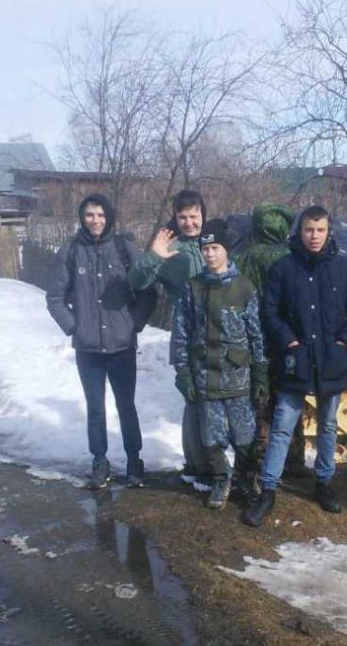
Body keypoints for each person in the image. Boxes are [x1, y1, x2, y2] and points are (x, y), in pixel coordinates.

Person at [242, 205, 347, 527]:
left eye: (321, 230)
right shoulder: (284, 268)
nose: (314, 236)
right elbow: (269, 312)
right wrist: (290, 341)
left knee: (327, 425)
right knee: (283, 425)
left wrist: (343, 343)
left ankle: (324, 483)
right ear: (299, 231)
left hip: (331, 359)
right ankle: (268, 490)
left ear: (329, 232)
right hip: (294, 359)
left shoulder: (345, 267)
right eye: (309, 230)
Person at [46, 193, 149, 490]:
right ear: (82, 217)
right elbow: (54, 297)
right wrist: (73, 328)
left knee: (126, 405)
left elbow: (148, 291)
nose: (95, 220)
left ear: (109, 217)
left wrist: (134, 324)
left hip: (122, 346)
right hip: (88, 349)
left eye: (101, 215)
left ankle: (134, 462)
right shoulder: (70, 250)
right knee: (96, 408)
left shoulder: (123, 248)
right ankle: (100, 462)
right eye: (90, 215)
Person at [170, 219, 268, 508]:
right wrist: (184, 372)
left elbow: (256, 334)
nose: (210, 254)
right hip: (205, 376)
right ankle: (221, 480)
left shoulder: (244, 287)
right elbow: (182, 332)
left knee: (245, 436)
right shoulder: (193, 288)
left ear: (226, 250)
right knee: (211, 438)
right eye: (205, 248)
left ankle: (247, 479)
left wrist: (261, 374)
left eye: (215, 248)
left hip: (237, 376)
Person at [127, 190, 211, 489]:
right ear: (175, 217)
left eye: (194, 216)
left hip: (219, 333)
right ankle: (196, 466)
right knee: (194, 398)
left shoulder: (212, 242)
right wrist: (153, 256)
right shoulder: (170, 248)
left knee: (215, 397)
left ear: (203, 214)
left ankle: (214, 462)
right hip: (187, 331)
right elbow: (136, 281)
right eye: (183, 217)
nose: (189, 222)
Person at [234, 204, 308, 478]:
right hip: (289, 338)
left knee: (260, 400)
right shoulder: (295, 256)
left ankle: (258, 461)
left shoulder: (244, 257)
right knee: (290, 400)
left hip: (256, 339)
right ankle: (295, 459)